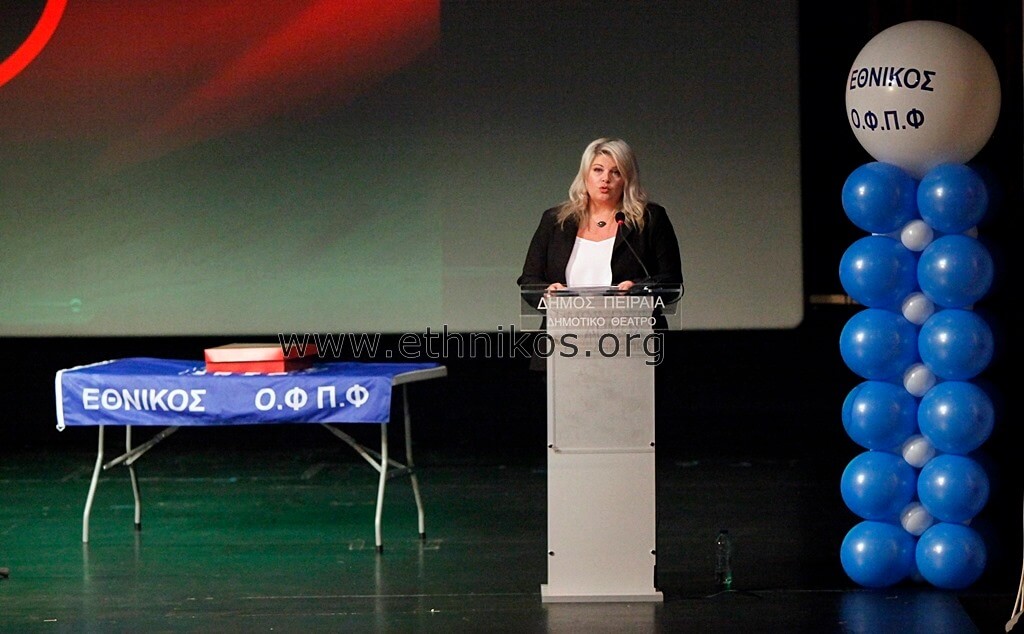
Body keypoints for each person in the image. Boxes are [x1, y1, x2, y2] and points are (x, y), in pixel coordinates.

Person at [517, 137, 683, 293]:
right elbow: (529, 280)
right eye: (598, 170)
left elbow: (671, 279)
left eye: (616, 172)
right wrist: (548, 291)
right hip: (564, 315)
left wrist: (638, 288)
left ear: (627, 179)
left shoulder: (649, 219)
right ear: (585, 174)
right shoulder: (555, 220)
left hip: (630, 315)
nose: (605, 179)